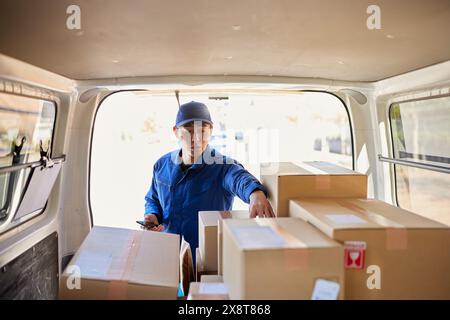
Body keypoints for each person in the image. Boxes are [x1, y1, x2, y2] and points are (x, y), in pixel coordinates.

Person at [143, 101, 274, 261]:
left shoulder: (222, 166)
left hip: (207, 258)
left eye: (202, 132)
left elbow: (239, 178)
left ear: (211, 130)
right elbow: (153, 198)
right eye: (189, 132)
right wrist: (152, 214)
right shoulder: (161, 165)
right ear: (176, 132)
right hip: (167, 250)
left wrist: (255, 193)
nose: (195, 139)